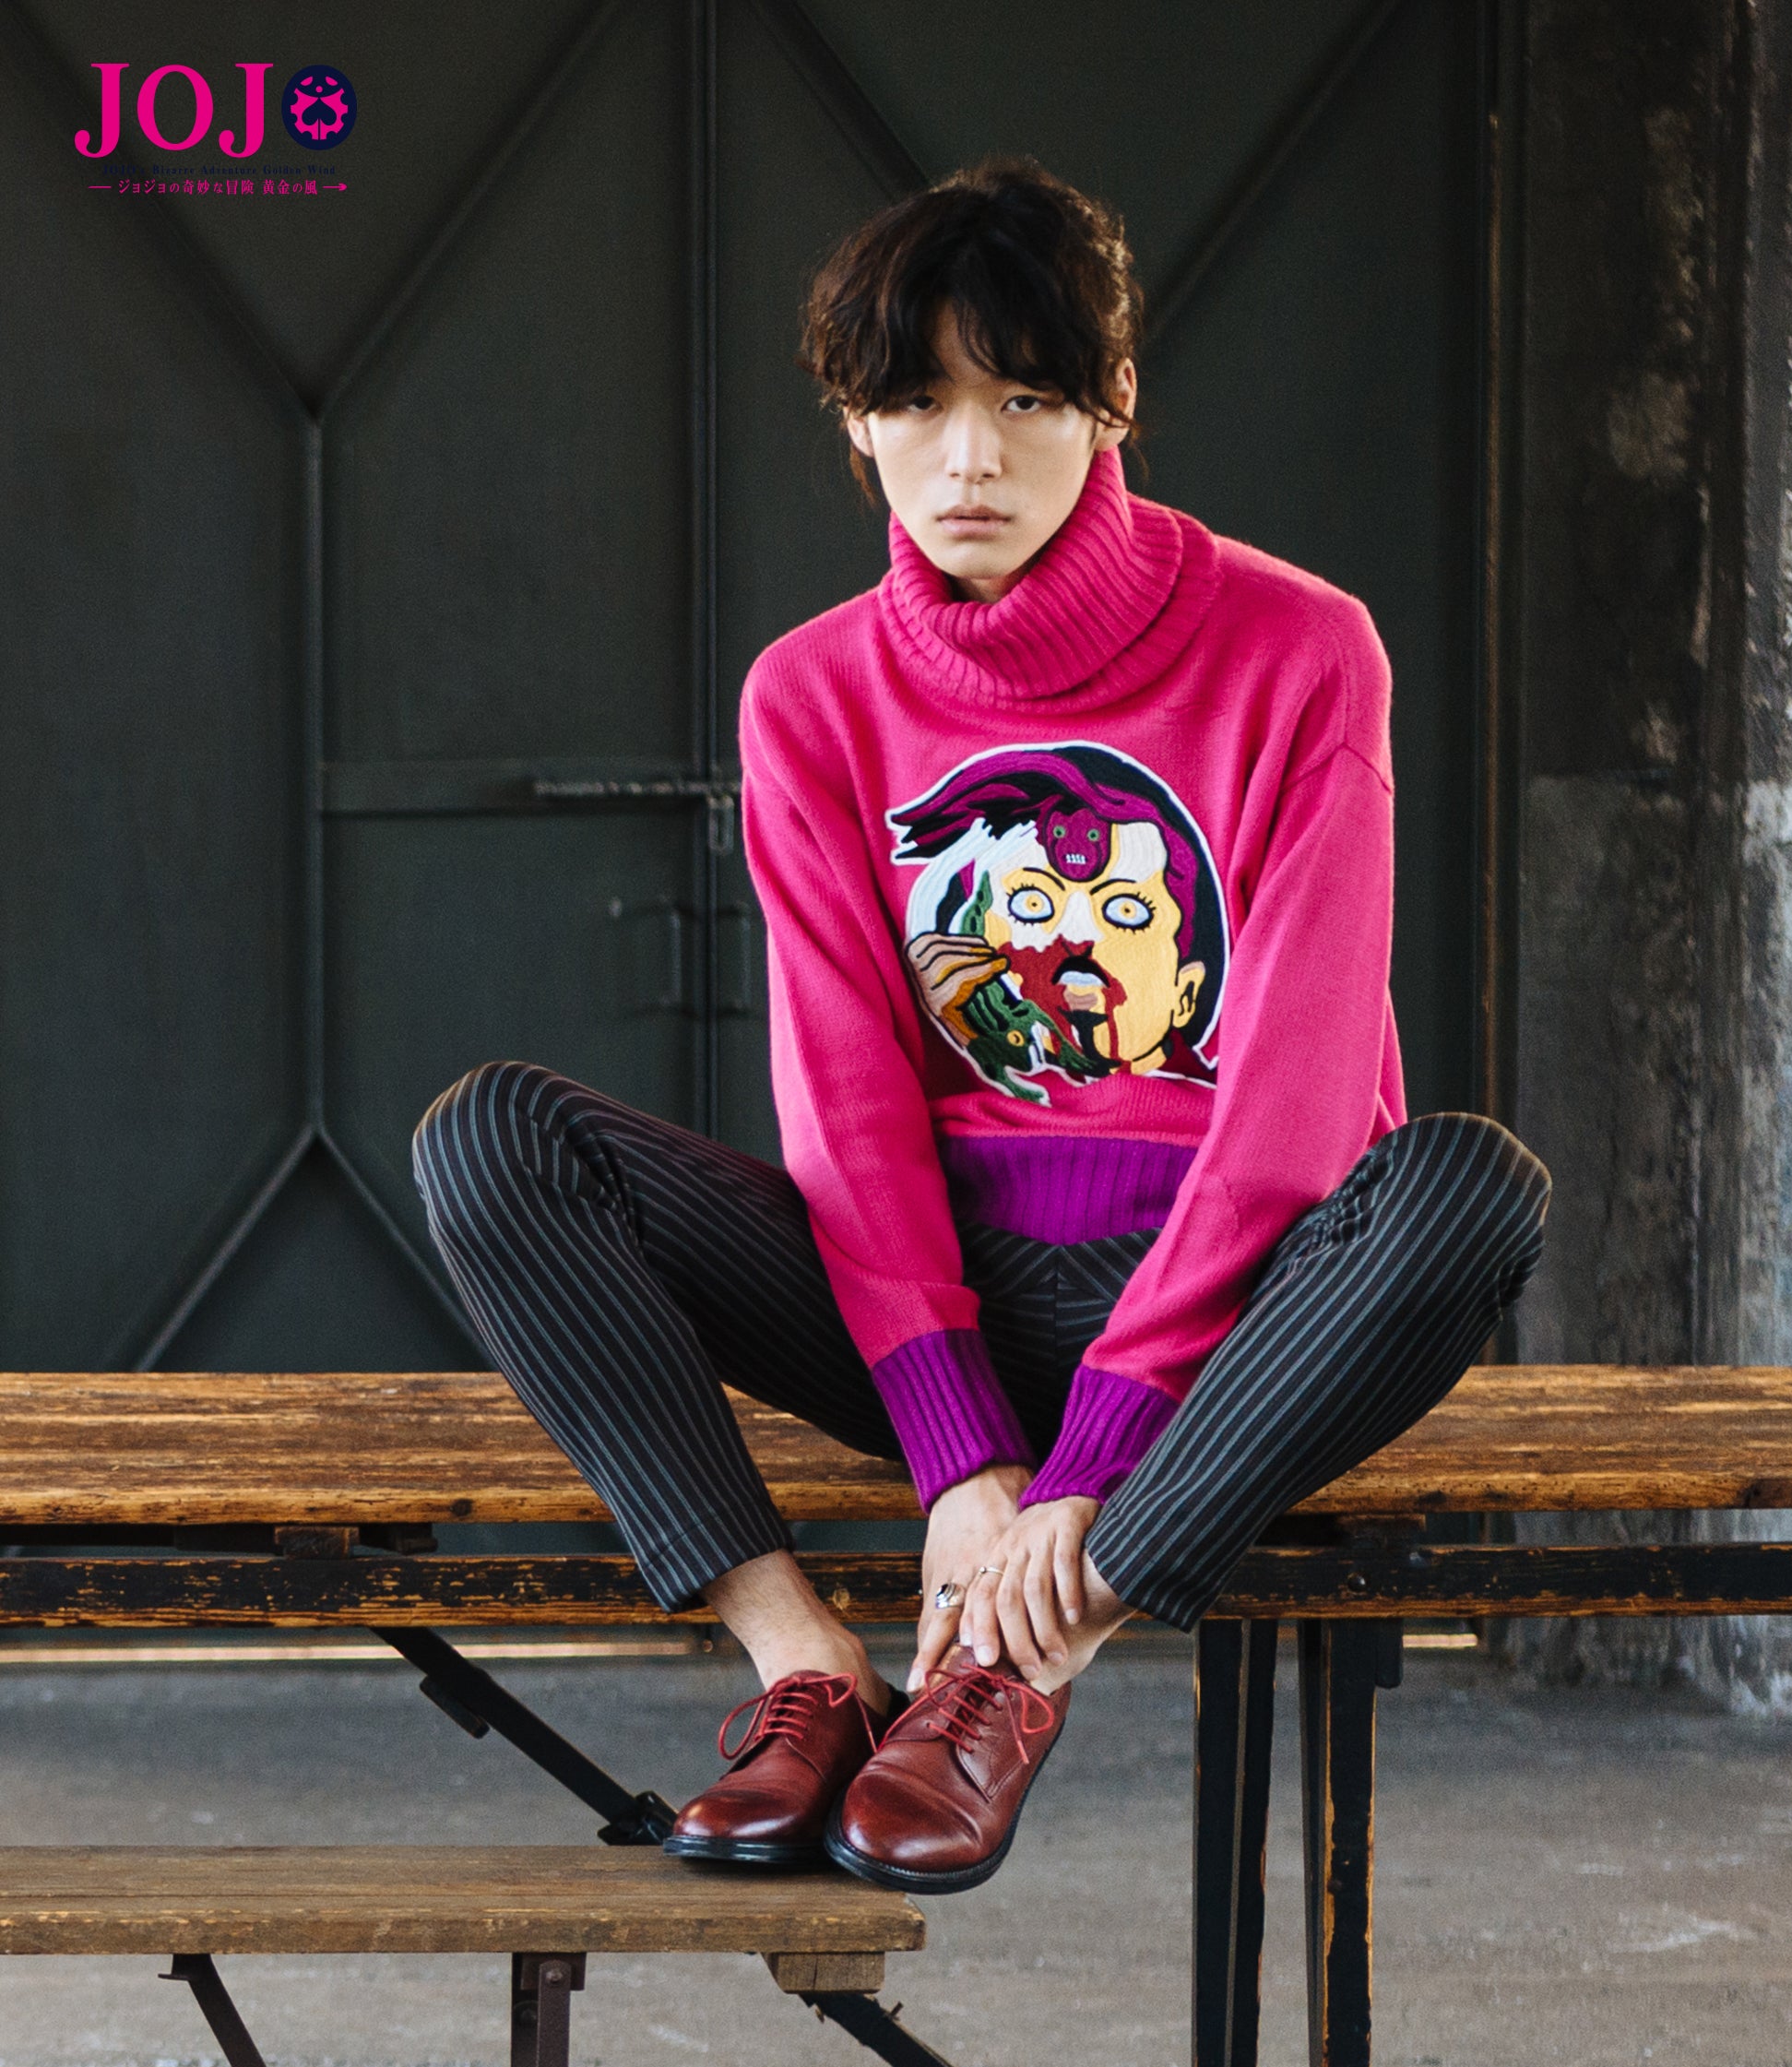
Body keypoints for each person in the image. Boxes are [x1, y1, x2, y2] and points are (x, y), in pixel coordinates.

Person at [412, 160, 1549, 1897]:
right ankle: (810, 1666)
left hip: (1239, 1315)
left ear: (1114, 402)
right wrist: (956, 1458)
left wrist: (1086, 1472)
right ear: (855, 424)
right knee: (493, 1140)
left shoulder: (1304, 650)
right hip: (941, 1294)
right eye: (915, 404)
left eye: (1024, 400)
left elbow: (1301, 1108)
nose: (968, 460)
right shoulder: (812, 694)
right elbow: (847, 1106)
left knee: (1466, 1187)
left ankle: (1011, 1667)